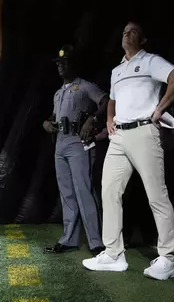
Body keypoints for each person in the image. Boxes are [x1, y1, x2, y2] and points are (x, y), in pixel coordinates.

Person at [82, 21, 174, 280]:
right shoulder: (117, 70)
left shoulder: (151, 61)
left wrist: (160, 109)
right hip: (119, 136)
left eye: (133, 32)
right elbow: (113, 100)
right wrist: (109, 119)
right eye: (124, 32)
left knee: (156, 195)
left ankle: (168, 258)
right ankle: (113, 254)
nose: (127, 34)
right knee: (108, 191)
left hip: (144, 132)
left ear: (143, 39)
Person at [43, 45, 108, 255]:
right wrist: (46, 123)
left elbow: (106, 102)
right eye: (58, 63)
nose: (61, 66)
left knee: (84, 191)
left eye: (65, 62)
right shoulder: (58, 92)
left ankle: (96, 242)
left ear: (74, 64)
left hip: (79, 141)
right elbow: (54, 117)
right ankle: (69, 239)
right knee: (67, 194)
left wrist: (93, 118)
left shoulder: (86, 87)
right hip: (60, 141)